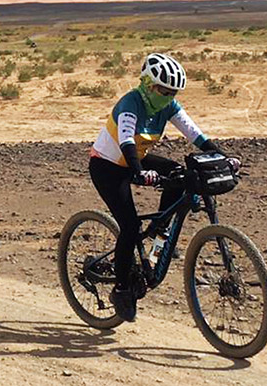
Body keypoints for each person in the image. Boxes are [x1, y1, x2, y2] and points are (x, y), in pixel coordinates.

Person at [89, 52, 239, 321]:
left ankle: (160, 227)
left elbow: (195, 134)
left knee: (179, 175)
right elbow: (126, 140)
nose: (168, 96)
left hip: (137, 159)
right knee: (130, 226)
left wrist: (223, 157)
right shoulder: (130, 103)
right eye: (164, 90)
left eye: (173, 92)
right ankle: (121, 290)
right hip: (108, 166)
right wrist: (140, 173)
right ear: (147, 84)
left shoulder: (168, 106)